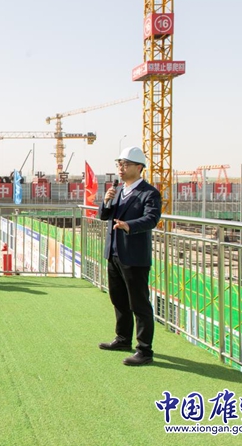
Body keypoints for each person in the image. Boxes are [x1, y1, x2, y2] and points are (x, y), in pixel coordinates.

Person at [98, 146, 162, 366]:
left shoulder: (149, 193)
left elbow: (152, 218)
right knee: (118, 299)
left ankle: (144, 350)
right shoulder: (117, 191)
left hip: (134, 256)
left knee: (139, 304)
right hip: (114, 253)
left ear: (139, 167)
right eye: (119, 164)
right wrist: (106, 202)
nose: (121, 168)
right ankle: (123, 338)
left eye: (125, 164)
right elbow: (104, 216)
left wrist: (129, 226)